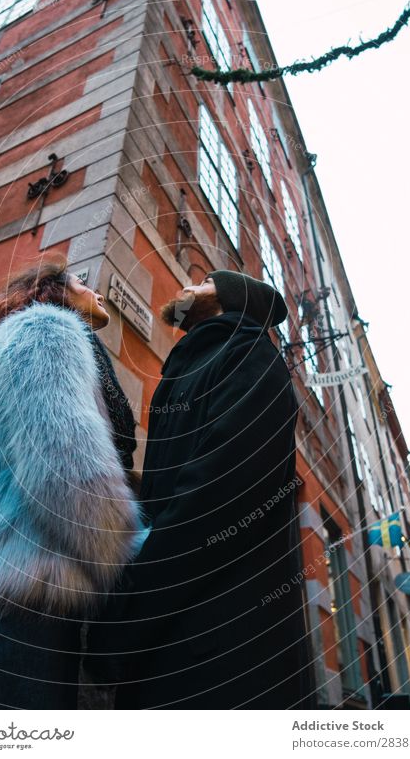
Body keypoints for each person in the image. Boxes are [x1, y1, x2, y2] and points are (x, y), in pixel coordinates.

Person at [0, 259, 142, 709]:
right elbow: (66, 469)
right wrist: (124, 552)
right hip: (15, 596)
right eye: (82, 282)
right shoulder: (45, 332)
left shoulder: (34, 340)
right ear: (49, 291)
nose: (95, 292)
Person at [84, 270, 314, 709]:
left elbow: (210, 503)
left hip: (221, 651)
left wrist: (123, 622)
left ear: (233, 299)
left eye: (207, 280)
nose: (190, 284)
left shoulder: (249, 357)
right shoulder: (195, 362)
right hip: (177, 638)